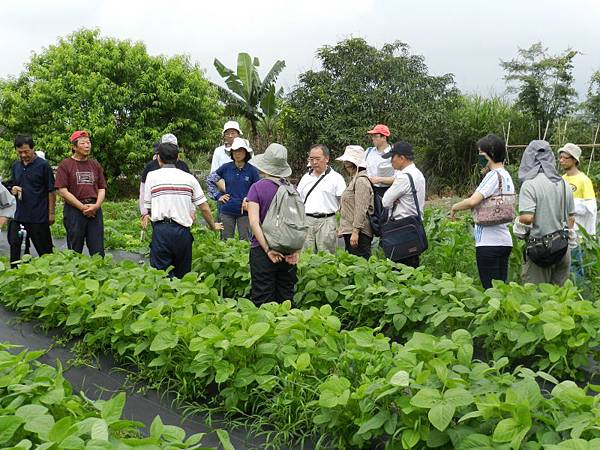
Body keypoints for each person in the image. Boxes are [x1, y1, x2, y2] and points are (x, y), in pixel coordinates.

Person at [142, 142, 223, 278]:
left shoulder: (151, 176)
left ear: (158, 158)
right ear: (178, 157)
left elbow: (148, 207)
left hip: (161, 231)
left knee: (161, 276)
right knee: (183, 277)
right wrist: (212, 225)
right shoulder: (189, 178)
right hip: (182, 232)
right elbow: (204, 207)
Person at [450, 134, 515, 289]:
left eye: (481, 154)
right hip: (504, 241)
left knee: (491, 291)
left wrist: (455, 207)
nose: (479, 158)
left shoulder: (493, 175)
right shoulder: (506, 175)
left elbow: (473, 200)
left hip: (489, 243)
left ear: (490, 155)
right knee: (501, 290)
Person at [514, 140, 575, 286]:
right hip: (562, 248)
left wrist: (517, 220)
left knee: (535, 299)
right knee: (559, 297)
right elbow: (571, 218)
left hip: (540, 251)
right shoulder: (563, 183)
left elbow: (528, 218)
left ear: (528, 158)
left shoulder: (529, 184)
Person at [246, 143, 299, 304]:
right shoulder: (292, 189)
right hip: (288, 251)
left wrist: (268, 249)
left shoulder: (257, 188)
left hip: (263, 250)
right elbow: (298, 223)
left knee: (262, 297)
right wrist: (295, 251)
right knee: (285, 297)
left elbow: (254, 223)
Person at [5, 134, 56, 265]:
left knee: (45, 251)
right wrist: (13, 189)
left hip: (38, 216)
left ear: (33, 149)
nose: (23, 155)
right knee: (16, 248)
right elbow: (13, 184)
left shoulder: (43, 166)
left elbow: (51, 190)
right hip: (20, 215)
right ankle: (17, 275)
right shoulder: (16, 166)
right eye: (20, 152)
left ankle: (50, 275)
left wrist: (51, 213)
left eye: (26, 151)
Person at [55, 130, 107, 256]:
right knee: (74, 248)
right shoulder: (65, 165)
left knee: (98, 249)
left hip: (94, 210)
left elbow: (102, 188)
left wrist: (96, 206)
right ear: (74, 147)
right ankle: (75, 274)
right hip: (74, 211)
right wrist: (82, 207)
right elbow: (62, 190)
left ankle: (98, 273)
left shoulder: (95, 165)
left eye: (88, 142)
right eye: (83, 143)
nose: (87, 145)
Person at [381, 141, 426, 268]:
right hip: (414, 226)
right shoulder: (418, 174)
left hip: (402, 228)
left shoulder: (403, 178)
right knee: (413, 267)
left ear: (402, 157)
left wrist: (396, 199)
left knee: (400, 269)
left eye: (392, 157)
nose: (391, 161)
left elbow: (385, 201)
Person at [297, 144, 346, 253]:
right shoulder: (305, 178)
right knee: (306, 254)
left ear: (327, 158)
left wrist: (342, 224)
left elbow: (343, 204)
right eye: (311, 159)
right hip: (307, 220)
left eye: (318, 159)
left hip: (327, 221)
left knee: (326, 256)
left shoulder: (336, 178)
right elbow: (298, 201)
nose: (314, 162)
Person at [208, 137, 260, 240]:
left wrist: (249, 200)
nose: (237, 153)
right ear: (231, 153)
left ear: (246, 153)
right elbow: (210, 180)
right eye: (235, 151)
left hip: (244, 211)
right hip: (227, 210)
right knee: (226, 242)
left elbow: (257, 190)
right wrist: (218, 196)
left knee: (245, 242)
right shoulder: (226, 167)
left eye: (240, 151)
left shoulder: (252, 171)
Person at [558, 143, 597, 277]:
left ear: (575, 160)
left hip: (577, 234)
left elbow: (590, 207)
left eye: (565, 158)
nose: (562, 160)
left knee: (576, 268)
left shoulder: (584, 180)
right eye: (560, 157)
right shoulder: (561, 180)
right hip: (562, 232)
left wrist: (571, 206)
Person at [336, 145, 374, 259]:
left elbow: (361, 209)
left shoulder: (361, 180)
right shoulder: (354, 180)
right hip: (351, 231)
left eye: (347, 162)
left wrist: (355, 232)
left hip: (359, 233)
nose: (345, 165)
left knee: (360, 266)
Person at [139, 134, 190, 216]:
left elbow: (190, 190)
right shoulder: (151, 166)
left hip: (180, 211)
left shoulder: (183, 166)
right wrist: (144, 213)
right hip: (157, 212)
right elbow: (143, 190)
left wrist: (191, 210)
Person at [365, 124, 394, 198]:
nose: (373, 138)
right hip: (369, 191)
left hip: (388, 192)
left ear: (384, 138)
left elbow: (400, 178)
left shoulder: (394, 154)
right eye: (372, 136)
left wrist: (379, 179)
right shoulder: (368, 152)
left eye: (375, 136)